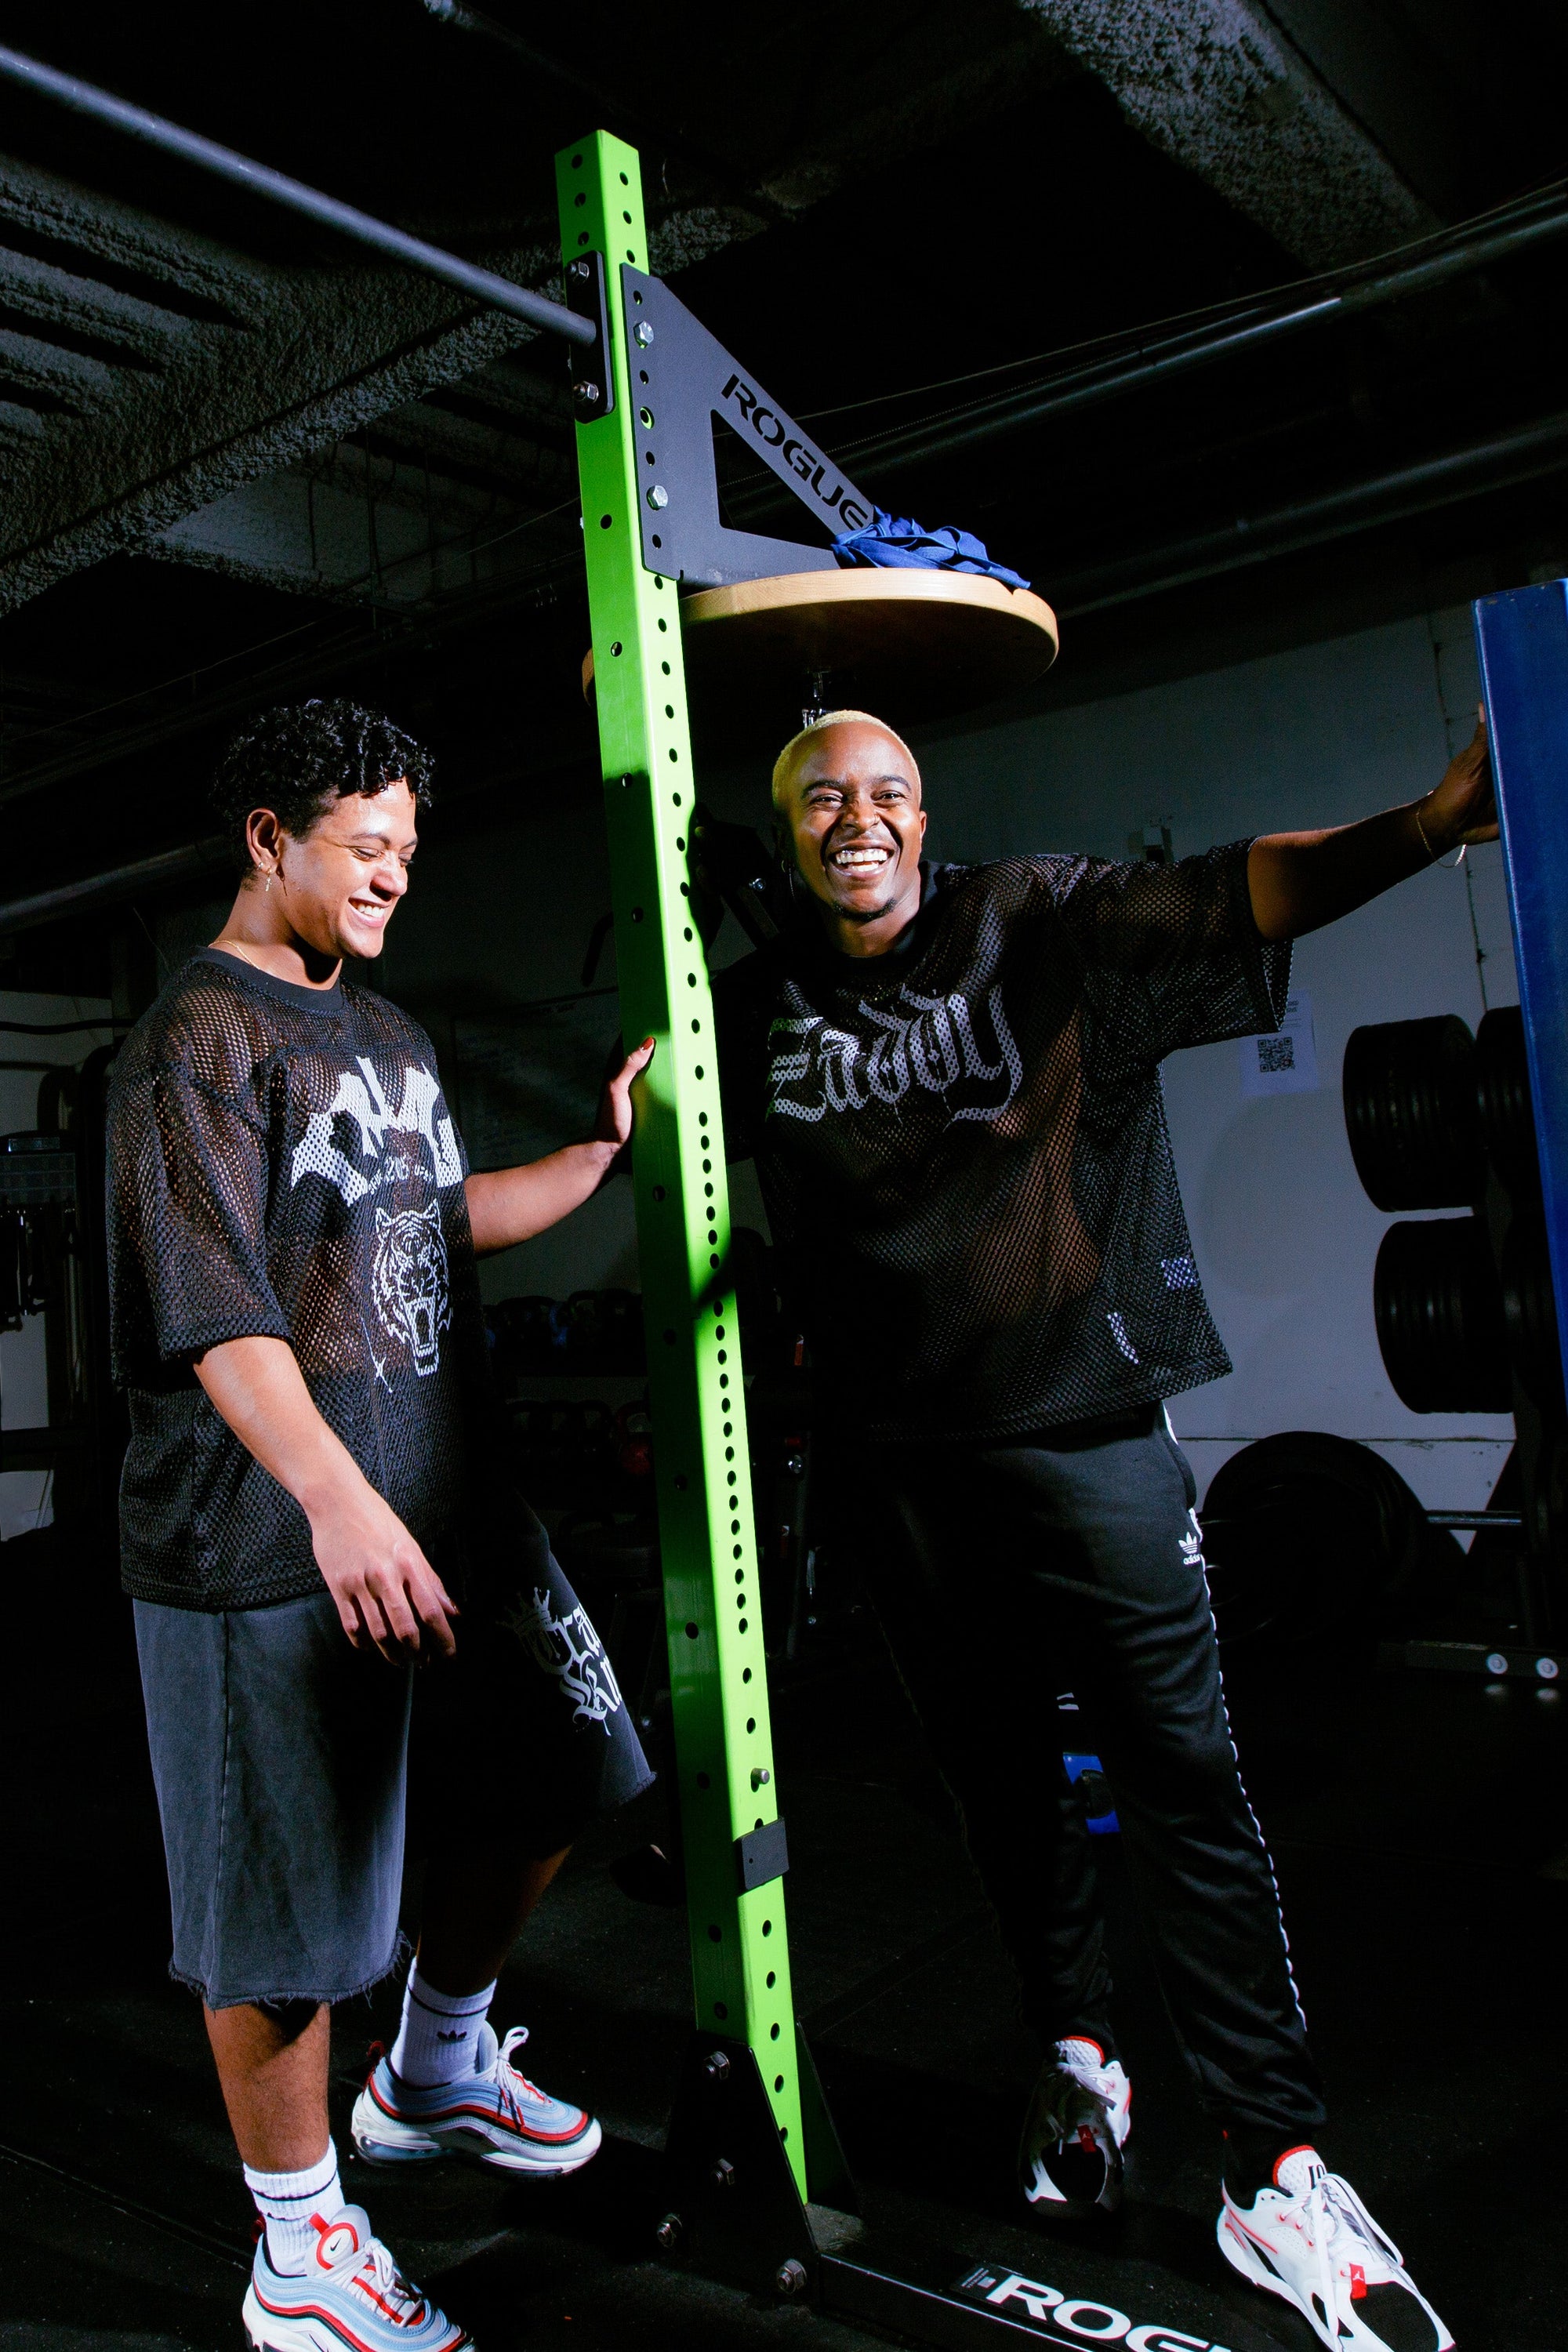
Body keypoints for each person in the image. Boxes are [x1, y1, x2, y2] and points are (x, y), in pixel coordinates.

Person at [713, 705, 1497, 2352]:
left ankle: (1272, 2164)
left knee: (1183, 1785)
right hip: (895, 1464)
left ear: (926, 820)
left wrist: (1426, 827)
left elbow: (1237, 895)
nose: (859, 820)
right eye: (823, 799)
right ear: (786, 829)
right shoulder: (748, 991)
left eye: (889, 796)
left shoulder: (1038, 920)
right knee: (996, 1786)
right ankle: (1075, 2056)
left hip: (1083, 1433)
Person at [107, 700, 655, 2352]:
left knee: (570, 1759)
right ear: (269, 839)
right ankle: (299, 2255)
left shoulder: (394, 1036)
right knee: (285, 1917)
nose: (392, 881)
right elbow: (221, 1315)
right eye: (366, 848)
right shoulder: (195, 1043)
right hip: (261, 1532)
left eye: (408, 855)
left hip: (438, 1502)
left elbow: (423, 1225)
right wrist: (335, 1503)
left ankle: (434, 2066)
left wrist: (598, 1158)